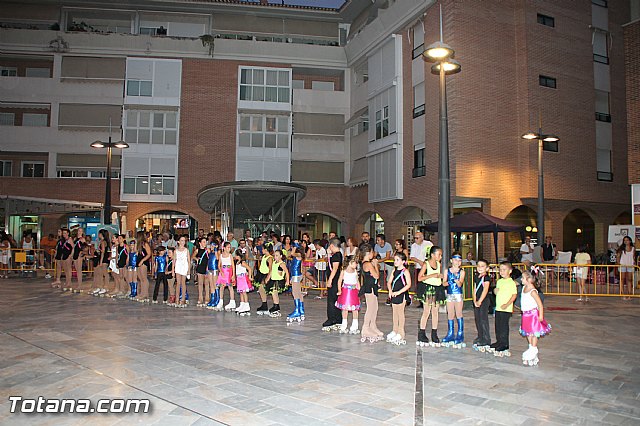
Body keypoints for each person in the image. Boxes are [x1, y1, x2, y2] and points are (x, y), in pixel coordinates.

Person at [519, 270, 551, 366]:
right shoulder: (524, 288)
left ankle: (533, 349)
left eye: (523, 278)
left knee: (534, 332)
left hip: (533, 315)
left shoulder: (533, 291)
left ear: (529, 280)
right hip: (526, 315)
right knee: (528, 333)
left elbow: (539, 304)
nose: (521, 279)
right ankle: (531, 348)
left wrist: (540, 315)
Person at [416, 246, 445, 346]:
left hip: (437, 288)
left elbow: (438, 276)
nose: (440, 257)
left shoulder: (438, 264)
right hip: (428, 289)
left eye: (441, 255)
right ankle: (422, 332)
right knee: (426, 311)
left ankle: (434, 333)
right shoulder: (426, 264)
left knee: (435, 312)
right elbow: (419, 278)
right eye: (439, 254)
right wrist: (432, 275)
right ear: (432, 255)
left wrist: (441, 277)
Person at [490, 262, 518, 356]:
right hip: (498, 307)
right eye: (500, 270)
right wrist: (495, 291)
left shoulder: (511, 282)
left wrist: (507, 304)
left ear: (509, 271)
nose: (501, 271)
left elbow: (514, 295)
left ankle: (504, 343)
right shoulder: (499, 281)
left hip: (506, 309)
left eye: (504, 270)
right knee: (498, 325)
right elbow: (496, 291)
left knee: (504, 326)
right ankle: (499, 341)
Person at [359, 246, 383, 342]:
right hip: (369, 288)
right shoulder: (368, 264)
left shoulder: (365, 263)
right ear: (368, 253)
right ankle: (365, 328)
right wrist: (376, 266)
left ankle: (373, 326)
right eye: (372, 252)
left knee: (375, 307)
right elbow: (376, 276)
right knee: (370, 308)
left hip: (371, 287)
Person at [441, 253, 466, 347]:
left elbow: (460, 284)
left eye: (459, 260)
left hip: (458, 294)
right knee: (450, 314)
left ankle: (460, 333)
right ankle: (450, 333)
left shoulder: (461, 271)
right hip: (450, 294)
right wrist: (449, 281)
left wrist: (456, 279)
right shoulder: (447, 271)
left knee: (459, 313)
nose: (457, 262)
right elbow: (443, 283)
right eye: (455, 260)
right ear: (451, 260)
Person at [386, 253, 411, 345]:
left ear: (403, 262)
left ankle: (401, 332)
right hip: (394, 294)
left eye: (397, 260)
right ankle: (395, 330)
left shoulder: (405, 271)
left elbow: (408, 284)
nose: (395, 262)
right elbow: (389, 282)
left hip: (402, 295)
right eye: (395, 260)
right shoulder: (394, 270)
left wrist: (399, 292)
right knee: (394, 313)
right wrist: (390, 291)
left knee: (400, 313)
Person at [335, 256, 361, 333]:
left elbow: (357, 280)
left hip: (354, 291)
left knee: (355, 309)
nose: (356, 264)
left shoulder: (355, 271)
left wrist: (359, 288)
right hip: (346, 291)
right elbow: (339, 281)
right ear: (350, 263)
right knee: (345, 309)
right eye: (355, 263)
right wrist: (339, 290)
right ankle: (344, 324)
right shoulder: (344, 271)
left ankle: (354, 325)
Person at [322, 239, 343, 330]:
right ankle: (337, 319)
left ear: (332, 246)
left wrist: (330, 280)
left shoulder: (337, 256)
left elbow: (334, 269)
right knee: (335, 300)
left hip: (334, 280)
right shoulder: (335, 255)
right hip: (334, 279)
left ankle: (332, 319)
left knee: (331, 300)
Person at [472, 259, 492, 350]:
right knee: (478, 319)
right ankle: (480, 336)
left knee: (483, 319)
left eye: (482, 266)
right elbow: (475, 289)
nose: (480, 268)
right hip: (477, 301)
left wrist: (480, 301)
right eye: (478, 266)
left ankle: (486, 338)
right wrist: (474, 300)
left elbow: (485, 290)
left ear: (487, 268)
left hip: (484, 301)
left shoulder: (486, 278)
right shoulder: (476, 276)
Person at [265, 249, 289, 317]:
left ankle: (276, 306)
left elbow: (287, 272)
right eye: (274, 255)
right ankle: (276, 305)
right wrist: (268, 278)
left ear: (281, 256)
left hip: (278, 280)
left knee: (274, 293)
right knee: (273, 293)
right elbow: (271, 271)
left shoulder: (281, 264)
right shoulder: (274, 263)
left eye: (277, 255)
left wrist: (287, 281)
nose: (275, 257)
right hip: (273, 280)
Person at [287, 243, 306, 322]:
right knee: (298, 293)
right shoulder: (299, 255)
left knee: (295, 293)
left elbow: (291, 253)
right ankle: (301, 310)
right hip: (296, 275)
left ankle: (297, 311)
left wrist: (294, 247)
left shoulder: (298, 254)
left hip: (296, 275)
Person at [216, 242, 236, 310]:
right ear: (224, 248)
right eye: (228, 247)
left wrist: (233, 274)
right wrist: (221, 271)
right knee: (222, 286)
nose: (229, 249)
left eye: (230, 247)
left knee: (230, 286)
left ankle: (232, 301)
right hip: (223, 271)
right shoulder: (221, 255)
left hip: (229, 271)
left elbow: (233, 265)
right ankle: (220, 301)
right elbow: (219, 265)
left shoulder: (230, 255)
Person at [254, 244, 273, 315]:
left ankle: (265, 305)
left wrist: (268, 277)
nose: (262, 250)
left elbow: (271, 269)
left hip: (265, 275)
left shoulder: (270, 258)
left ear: (266, 250)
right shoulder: (264, 257)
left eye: (263, 249)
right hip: (261, 274)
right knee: (261, 290)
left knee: (262, 289)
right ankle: (264, 304)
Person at [90, 229, 110, 296]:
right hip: (101, 258)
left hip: (103, 259)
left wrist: (101, 261)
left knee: (105, 273)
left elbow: (103, 252)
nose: (98, 235)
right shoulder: (102, 241)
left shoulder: (103, 242)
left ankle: (106, 287)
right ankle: (100, 286)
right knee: (100, 273)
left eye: (99, 233)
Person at [234, 249, 253, 314]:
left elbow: (249, 269)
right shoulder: (238, 262)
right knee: (241, 292)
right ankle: (242, 304)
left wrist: (250, 276)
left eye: (236, 255)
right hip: (239, 278)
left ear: (238, 256)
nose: (235, 256)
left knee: (244, 292)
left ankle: (246, 305)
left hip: (243, 279)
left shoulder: (243, 262)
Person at [617, 236, 636, 301]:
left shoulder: (633, 248)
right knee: (622, 279)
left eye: (627, 240)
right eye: (624, 240)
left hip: (630, 265)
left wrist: (634, 263)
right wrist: (618, 263)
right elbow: (618, 256)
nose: (626, 241)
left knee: (629, 280)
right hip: (622, 265)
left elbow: (633, 257)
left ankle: (629, 294)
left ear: (630, 241)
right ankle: (622, 294)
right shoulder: (621, 248)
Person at [192, 237, 209, 307]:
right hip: (200, 267)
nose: (205, 243)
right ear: (200, 243)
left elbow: (210, 258)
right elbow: (192, 256)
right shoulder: (197, 250)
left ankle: (207, 298)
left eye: (206, 242)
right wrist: (196, 259)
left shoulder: (208, 250)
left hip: (207, 267)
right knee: (200, 283)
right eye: (203, 242)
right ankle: (200, 297)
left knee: (207, 283)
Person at [136, 231, 152, 303]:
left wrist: (142, 260)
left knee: (144, 278)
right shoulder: (139, 244)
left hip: (143, 262)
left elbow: (149, 254)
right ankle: (142, 293)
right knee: (140, 278)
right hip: (138, 261)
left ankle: (145, 294)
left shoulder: (145, 244)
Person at [174, 236, 190, 308]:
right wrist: (172, 270)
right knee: (178, 283)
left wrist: (188, 270)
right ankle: (177, 299)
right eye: (181, 240)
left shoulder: (186, 250)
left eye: (184, 240)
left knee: (183, 283)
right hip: (178, 267)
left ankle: (183, 299)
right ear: (178, 242)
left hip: (184, 267)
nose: (183, 242)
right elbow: (174, 261)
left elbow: (189, 261)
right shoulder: (176, 251)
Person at [205, 239, 220, 310]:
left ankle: (217, 299)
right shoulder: (210, 252)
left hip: (215, 269)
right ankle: (212, 298)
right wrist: (207, 269)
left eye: (212, 245)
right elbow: (209, 260)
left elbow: (217, 258)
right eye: (211, 245)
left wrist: (216, 250)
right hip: (210, 269)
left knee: (215, 284)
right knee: (211, 284)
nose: (211, 246)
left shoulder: (217, 252)